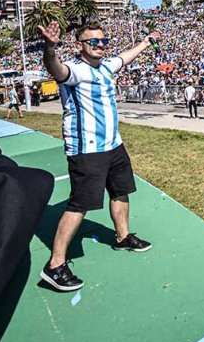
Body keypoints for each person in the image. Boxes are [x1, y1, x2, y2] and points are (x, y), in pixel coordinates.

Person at [36, 20, 158, 292]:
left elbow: (125, 58)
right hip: (87, 150)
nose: (101, 46)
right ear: (80, 45)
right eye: (94, 42)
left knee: (120, 192)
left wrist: (146, 42)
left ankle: (123, 237)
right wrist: (49, 47)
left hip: (113, 145)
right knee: (80, 204)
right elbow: (56, 69)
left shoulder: (105, 66)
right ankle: (55, 265)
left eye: (104, 41)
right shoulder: (75, 71)